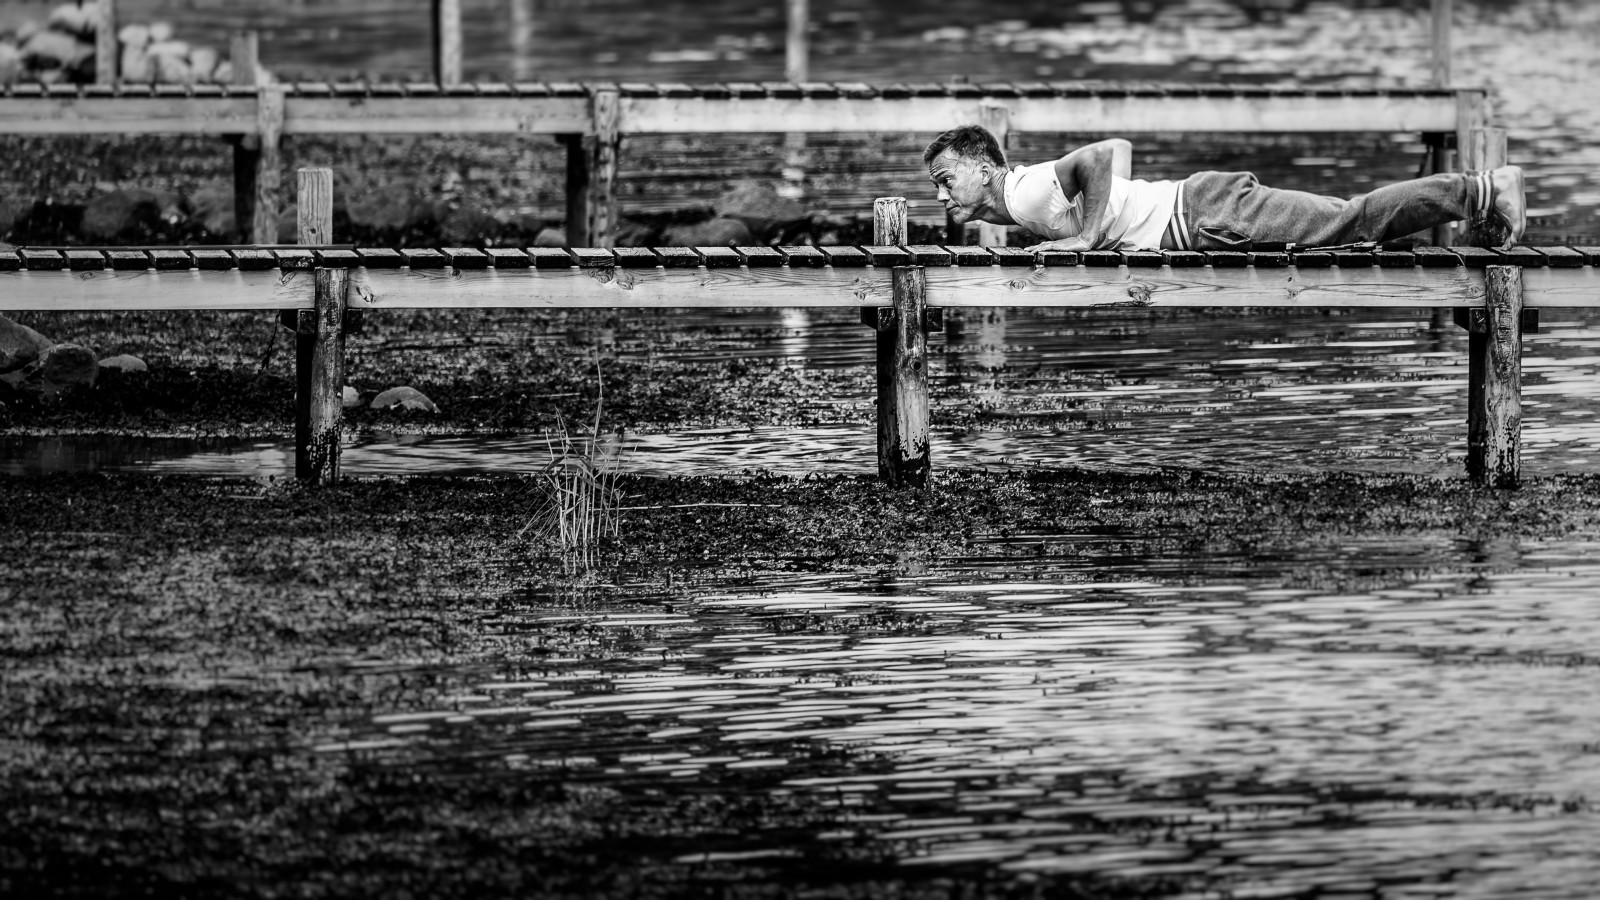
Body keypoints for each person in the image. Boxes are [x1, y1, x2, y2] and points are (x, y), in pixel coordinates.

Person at [923, 125, 1525, 252]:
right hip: (1199, 207)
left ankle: (1483, 187)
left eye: (946, 180)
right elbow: (1121, 154)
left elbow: (1101, 156)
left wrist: (1088, 237)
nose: (942, 196)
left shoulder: (1024, 193)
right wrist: (1111, 222)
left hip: (1205, 214)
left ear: (984, 168)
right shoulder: (1012, 200)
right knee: (1350, 225)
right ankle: (1480, 200)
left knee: (1353, 223)